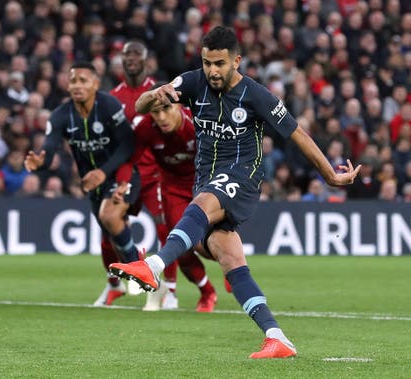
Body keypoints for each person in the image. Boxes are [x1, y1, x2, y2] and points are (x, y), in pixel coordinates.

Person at [109, 27, 361, 358]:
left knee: (199, 206)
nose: (212, 70)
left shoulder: (256, 95)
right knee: (225, 255)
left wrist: (329, 173)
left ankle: (153, 266)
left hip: (243, 176)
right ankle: (276, 336)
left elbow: (296, 132)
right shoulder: (193, 82)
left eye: (219, 63)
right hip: (207, 178)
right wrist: (159, 93)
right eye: (207, 62)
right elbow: (140, 107)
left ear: (236, 61)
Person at [110, 40, 216, 311]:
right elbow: (129, 156)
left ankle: (230, 271)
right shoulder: (146, 127)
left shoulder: (196, 126)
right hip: (169, 185)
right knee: (175, 239)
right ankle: (203, 290)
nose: (162, 117)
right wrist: (123, 181)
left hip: (203, 183)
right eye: (156, 111)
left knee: (211, 243)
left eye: (167, 108)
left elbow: (218, 157)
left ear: (180, 106)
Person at [24, 62, 141, 304]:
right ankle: (115, 284)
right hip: (93, 183)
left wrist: (104, 170)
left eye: (84, 80)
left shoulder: (108, 105)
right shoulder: (60, 116)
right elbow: (50, 147)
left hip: (121, 174)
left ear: (96, 84)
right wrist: (40, 162)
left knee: (110, 217)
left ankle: (138, 269)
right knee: (108, 237)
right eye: (73, 81)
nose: (77, 85)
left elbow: (128, 144)